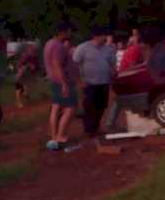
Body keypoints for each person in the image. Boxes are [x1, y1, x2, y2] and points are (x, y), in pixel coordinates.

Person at [73, 27, 117, 136]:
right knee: (89, 106)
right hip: (89, 83)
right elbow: (74, 64)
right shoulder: (83, 48)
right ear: (96, 36)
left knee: (101, 106)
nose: (105, 38)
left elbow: (112, 64)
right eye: (103, 36)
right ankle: (89, 129)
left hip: (104, 82)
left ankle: (96, 127)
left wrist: (114, 75)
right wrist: (79, 80)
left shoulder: (108, 49)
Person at [44, 22, 77, 150]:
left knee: (56, 107)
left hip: (53, 80)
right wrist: (64, 84)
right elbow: (57, 64)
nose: (70, 34)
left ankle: (54, 136)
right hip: (62, 81)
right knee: (71, 107)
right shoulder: (58, 46)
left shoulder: (49, 43)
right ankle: (60, 135)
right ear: (63, 32)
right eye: (69, 31)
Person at [14, 43, 40, 108]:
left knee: (26, 87)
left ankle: (26, 94)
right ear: (28, 50)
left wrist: (34, 72)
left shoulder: (35, 58)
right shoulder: (25, 56)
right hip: (21, 74)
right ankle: (19, 102)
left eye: (35, 50)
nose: (34, 51)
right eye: (32, 50)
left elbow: (37, 67)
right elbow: (19, 65)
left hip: (28, 75)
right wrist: (26, 67)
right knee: (19, 89)